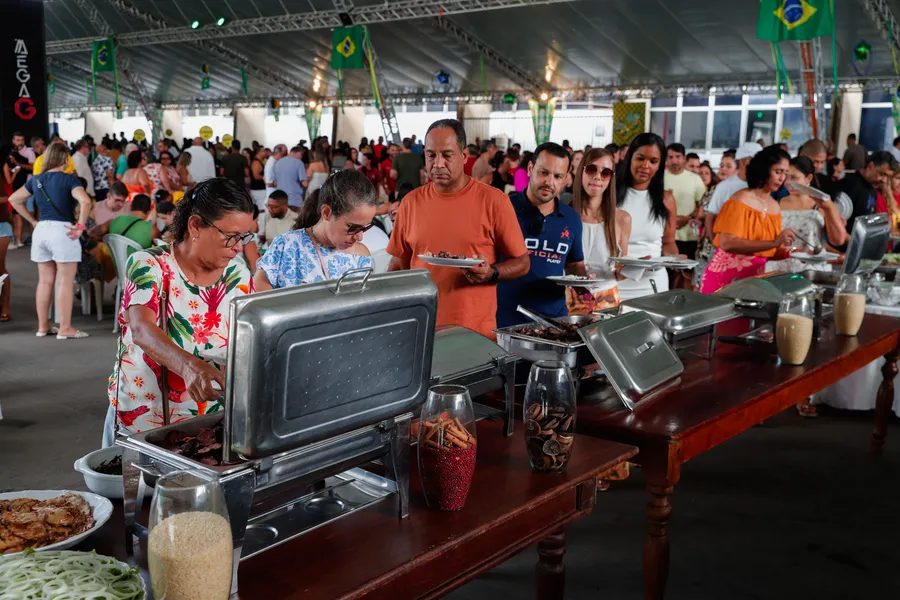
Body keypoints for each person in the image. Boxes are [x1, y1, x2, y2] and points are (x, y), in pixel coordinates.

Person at [104, 178, 256, 441]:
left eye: (244, 237)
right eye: (231, 236)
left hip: (209, 420)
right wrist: (189, 367)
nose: (239, 247)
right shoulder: (150, 264)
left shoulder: (237, 274)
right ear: (195, 225)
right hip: (145, 416)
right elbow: (142, 329)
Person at [386, 119, 528, 338]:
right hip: (420, 332)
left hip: (475, 335)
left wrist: (492, 273)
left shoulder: (494, 201)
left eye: (447, 155)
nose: (438, 163)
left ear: (464, 156)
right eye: (431, 155)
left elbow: (522, 263)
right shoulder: (411, 202)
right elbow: (398, 265)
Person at [496, 143, 587, 327]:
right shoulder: (503, 207)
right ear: (530, 168)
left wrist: (586, 283)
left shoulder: (571, 219)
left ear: (565, 179)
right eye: (544, 173)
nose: (549, 182)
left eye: (557, 176)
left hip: (553, 324)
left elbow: (575, 266)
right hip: (504, 321)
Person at [7, 142, 92, 339]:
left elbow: (14, 200)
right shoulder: (70, 180)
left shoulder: (36, 180)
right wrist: (80, 227)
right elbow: (86, 201)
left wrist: (32, 221)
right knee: (64, 281)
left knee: (44, 281)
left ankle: (43, 326)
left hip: (41, 230)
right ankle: (65, 328)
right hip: (63, 231)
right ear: (64, 159)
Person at [255, 170, 376, 290]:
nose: (360, 237)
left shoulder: (361, 256)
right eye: (353, 227)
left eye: (365, 228)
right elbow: (260, 294)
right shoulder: (286, 246)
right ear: (327, 213)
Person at [700, 146, 797, 294]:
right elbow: (727, 243)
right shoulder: (740, 200)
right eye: (778, 172)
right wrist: (774, 242)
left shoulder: (774, 206)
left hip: (753, 280)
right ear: (764, 170)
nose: (781, 178)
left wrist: (795, 252)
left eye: (785, 173)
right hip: (725, 279)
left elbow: (767, 250)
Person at [615, 133, 681, 300]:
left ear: (660, 165)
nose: (645, 166)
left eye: (653, 161)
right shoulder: (610, 194)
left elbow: (668, 242)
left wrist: (674, 258)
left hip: (652, 283)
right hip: (616, 282)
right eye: (640, 158)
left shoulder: (666, 199)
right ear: (630, 157)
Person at [703, 142, 763, 242]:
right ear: (746, 161)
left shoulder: (762, 185)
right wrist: (715, 242)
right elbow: (711, 217)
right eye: (758, 161)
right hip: (726, 246)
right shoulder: (724, 186)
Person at [694, 152, 734, 289]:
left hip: (723, 245)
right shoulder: (712, 190)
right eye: (721, 165)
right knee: (699, 286)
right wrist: (698, 221)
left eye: (728, 166)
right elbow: (701, 214)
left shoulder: (738, 193)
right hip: (705, 244)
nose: (723, 169)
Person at [836, 151, 897, 240]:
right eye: (881, 174)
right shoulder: (851, 185)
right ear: (870, 166)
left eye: (887, 177)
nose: (884, 180)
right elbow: (836, 222)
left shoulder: (872, 187)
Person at [664, 143, 706, 270]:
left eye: (678, 157)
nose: (674, 161)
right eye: (670, 157)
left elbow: (703, 205)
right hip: (664, 236)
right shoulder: (659, 177)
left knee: (687, 275)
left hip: (689, 236)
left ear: (684, 158)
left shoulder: (695, 179)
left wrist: (688, 218)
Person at [88, 193, 159, 253]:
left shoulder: (114, 221)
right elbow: (161, 250)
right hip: (137, 267)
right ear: (148, 212)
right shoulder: (152, 230)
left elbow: (92, 233)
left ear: (131, 207)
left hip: (115, 265)